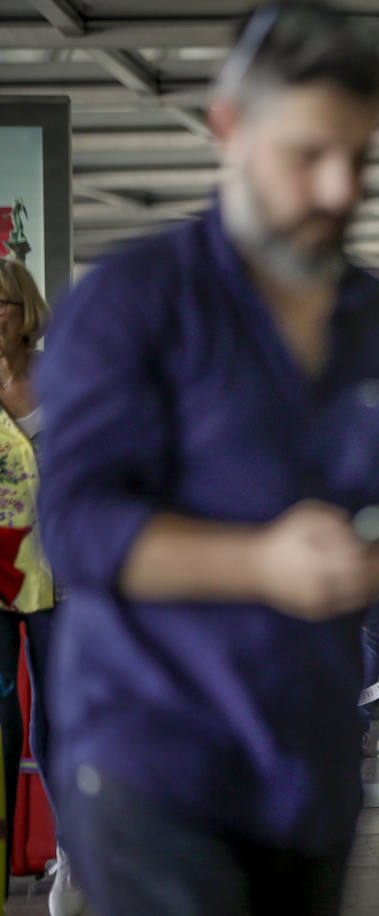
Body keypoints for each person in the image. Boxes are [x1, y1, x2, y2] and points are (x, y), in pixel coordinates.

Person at [35, 6, 379, 911]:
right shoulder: (133, 305)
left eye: (360, 159)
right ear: (228, 128)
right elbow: (78, 526)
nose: (339, 189)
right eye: (307, 154)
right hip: (154, 762)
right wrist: (259, 563)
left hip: (311, 769)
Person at [0, 258, 78, 913]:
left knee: (59, 720)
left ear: (24, 309)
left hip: (60, 576)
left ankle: (74, 854)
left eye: (0, 303)